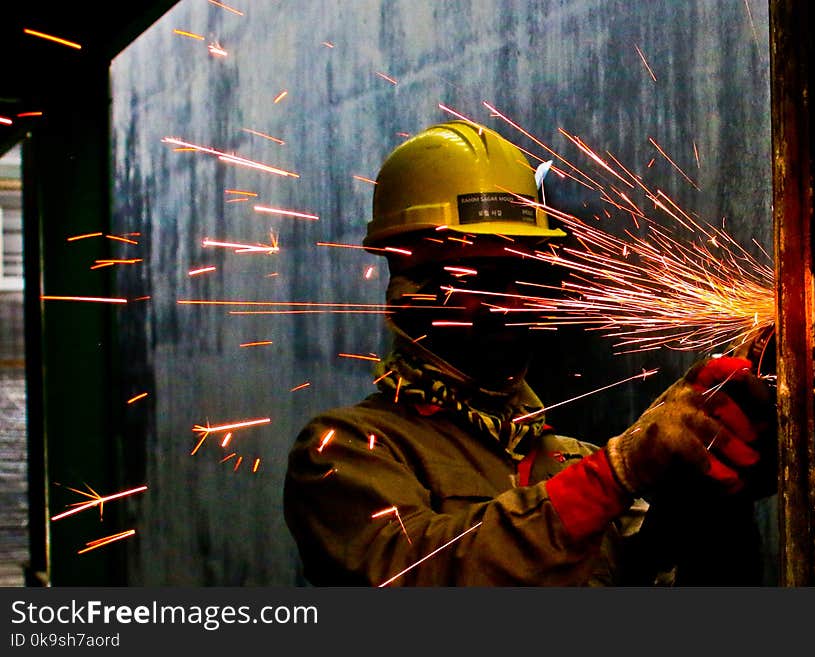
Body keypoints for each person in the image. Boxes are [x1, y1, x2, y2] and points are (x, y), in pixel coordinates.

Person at [283, 120, 777, 586]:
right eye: (484, 278)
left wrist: (710, 483)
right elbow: (422, 577)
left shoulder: (565, 461)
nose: (512, 303)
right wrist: (619, 471)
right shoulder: (344, 452)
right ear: (412, 287)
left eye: (524, 276)